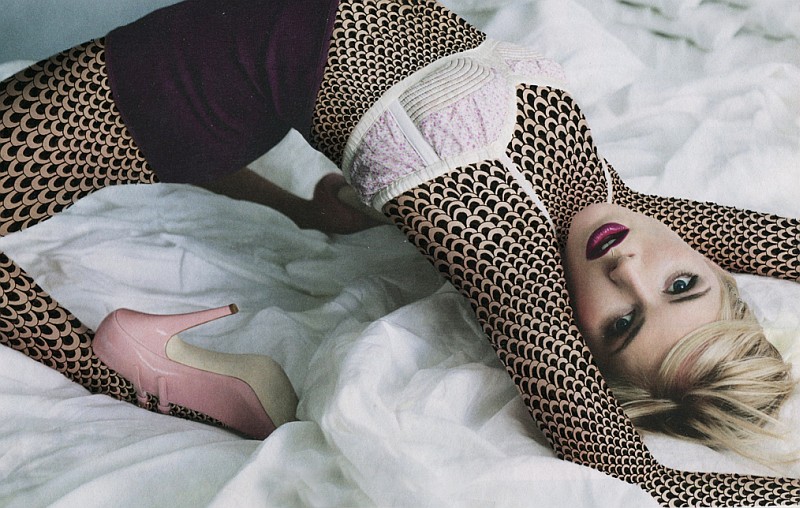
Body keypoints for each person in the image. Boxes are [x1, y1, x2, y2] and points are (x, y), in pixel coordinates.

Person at [1, 0, 798, 505]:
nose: (629, 273)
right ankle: (314, 212)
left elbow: (630, 469)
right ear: (711, 266)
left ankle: (132, 368)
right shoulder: (626, 214)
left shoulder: (517, 270)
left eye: (622, 324)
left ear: (575, 336)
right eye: (682, 285)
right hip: (238, 75)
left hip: (182, 84)